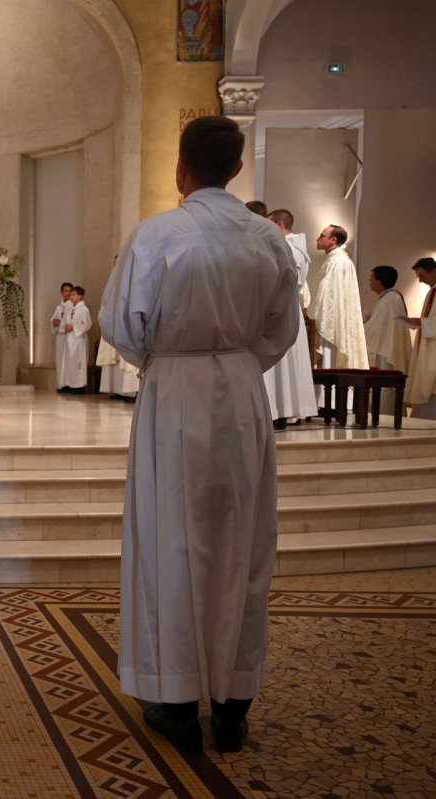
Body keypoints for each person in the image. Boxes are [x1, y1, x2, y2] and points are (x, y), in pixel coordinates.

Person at [100, 115, 299, 754]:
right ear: (237, 169)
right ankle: (235, 702)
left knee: (170, 539)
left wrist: (170, 362)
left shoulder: (159, 234)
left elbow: (122, 323)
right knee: (243, 542)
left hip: (175, 392)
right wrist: (236, 363)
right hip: (242, 392)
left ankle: (177, 700)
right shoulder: (266, 238)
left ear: (181, 168)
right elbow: (281, 329)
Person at [261, 208, 318, 427]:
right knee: (282, 367)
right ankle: (284, 410)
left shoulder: (291, 249)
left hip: (281, 310)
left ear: (280, 225)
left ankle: (282, 411)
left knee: (282, 365)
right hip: (284, 310)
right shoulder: (293, 248)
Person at [309, 223, 368, 369]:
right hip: (336, 320)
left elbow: (326, 295)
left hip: (331, 323)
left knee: (329, 362)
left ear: (333, 240)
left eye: (322, 235)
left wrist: (309, 313)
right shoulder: (339, 259)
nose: (317, 239)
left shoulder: (336, 261)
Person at [404, 257, 436, 419]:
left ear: (434, 271)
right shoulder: (432, 292)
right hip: (428, 344)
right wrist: (421, 322)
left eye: (422, 276)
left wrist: (422, 322)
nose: (420, 280)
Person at [59, 286, 92, 394]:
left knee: (78, 362)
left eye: (73, 294)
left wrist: (74, 327)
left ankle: (79, 386)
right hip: (69, 339)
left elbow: (87, 324)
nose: (71, 296)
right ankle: (69, 383)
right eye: (71, 294)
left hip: (78, 339)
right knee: (69, 363)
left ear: (80, 296)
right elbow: (64, 321)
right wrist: (65, 326)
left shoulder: (84, 309)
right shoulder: (70, 309)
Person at [51, 282, 74, 392]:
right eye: (66, 291)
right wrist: (54, 323)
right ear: (61, 292)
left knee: (68, 361)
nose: (68, 293)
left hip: (70, 337)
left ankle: (69, 384)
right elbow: (54, 320)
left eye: (70, 291)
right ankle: (61, 384)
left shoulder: (73, 306)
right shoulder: (59, 307)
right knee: (60, 360)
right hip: (60, 337)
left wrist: (60, 324)